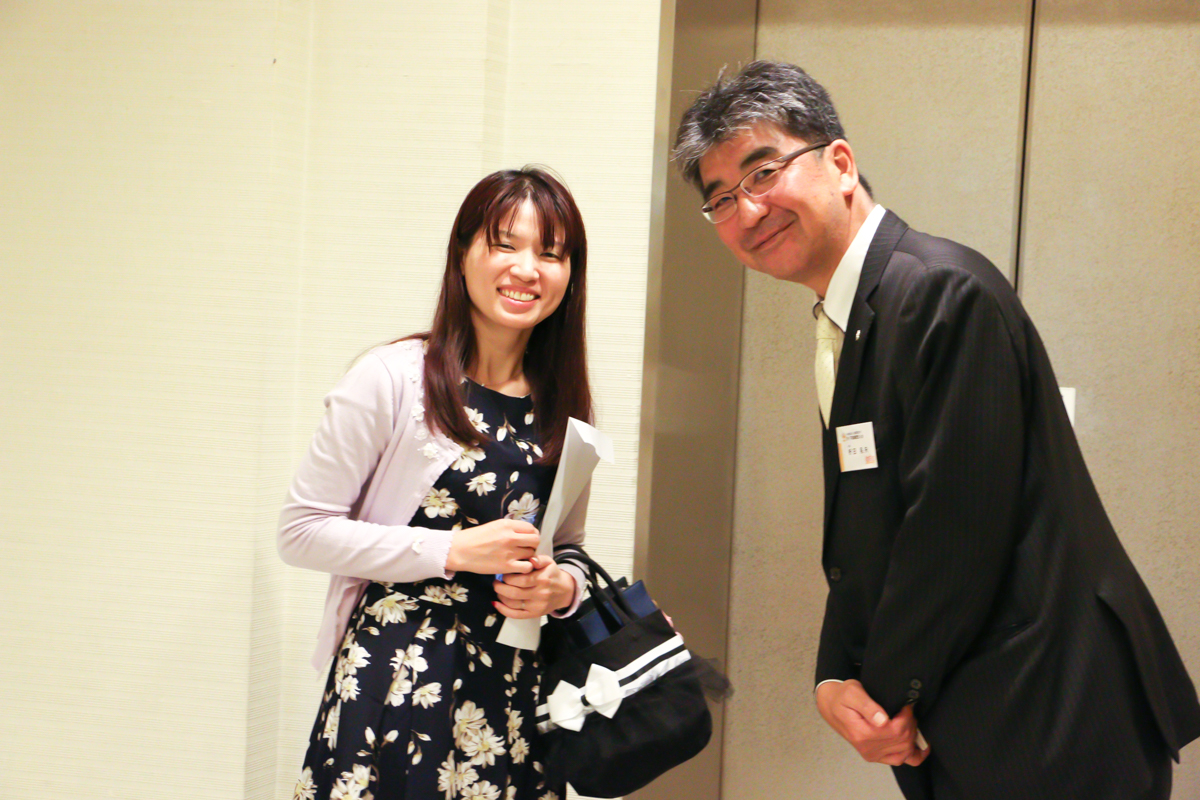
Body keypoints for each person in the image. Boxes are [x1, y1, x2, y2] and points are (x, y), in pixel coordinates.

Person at [673, 61, 1200, 799]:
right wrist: (834, 675)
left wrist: (877, 697)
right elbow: (864, 529)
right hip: (986, 715)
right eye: (722, 199)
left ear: (841, 164)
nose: (749, 211)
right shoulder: (852, 315)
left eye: (763, 173)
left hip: (1053, 718)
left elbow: (951, 531)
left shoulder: (939, 293)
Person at [279, 167, 594, 800]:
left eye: (550, 253)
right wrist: (450, 550)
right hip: (398, 678)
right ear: (463, 252)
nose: (527, 269)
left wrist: (563, 587)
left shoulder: (563, 403)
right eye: (504, 244)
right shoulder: (392, 377)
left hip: (511, 693)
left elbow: (567, 546)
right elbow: (302, 532)